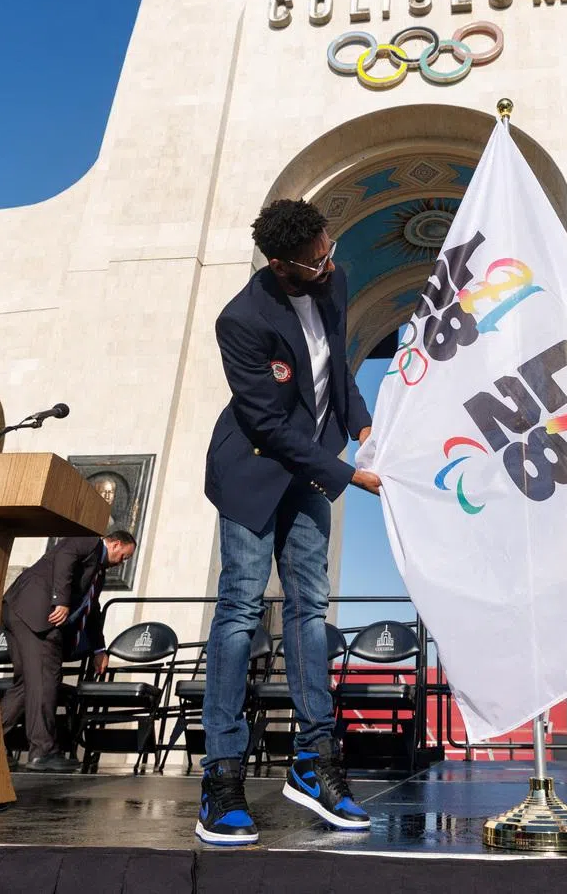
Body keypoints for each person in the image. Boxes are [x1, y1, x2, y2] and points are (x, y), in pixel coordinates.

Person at [196, 198, 380, 846]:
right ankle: (221, 777)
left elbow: (338, 364)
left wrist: (363, 425)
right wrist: (348, 474)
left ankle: (314, 762)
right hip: (252, 469)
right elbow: (268, 424)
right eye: (315, 261)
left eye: (330, 251)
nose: (329, 266)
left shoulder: (334, 277)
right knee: (241, 613)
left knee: (310, 611)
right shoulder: (241, 320)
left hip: (308, 464)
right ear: (281, 264)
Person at [1, 530, 137, 771]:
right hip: (39, 613)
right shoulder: (89, 542)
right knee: (45, 680)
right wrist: (60, 599)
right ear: (116, 544)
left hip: (21, 611)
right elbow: (65, 555)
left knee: (25, 684)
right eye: (124, 556)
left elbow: (91, 608)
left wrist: (99, 649)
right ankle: (42, 752)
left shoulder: (97, 572)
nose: (121, 563)